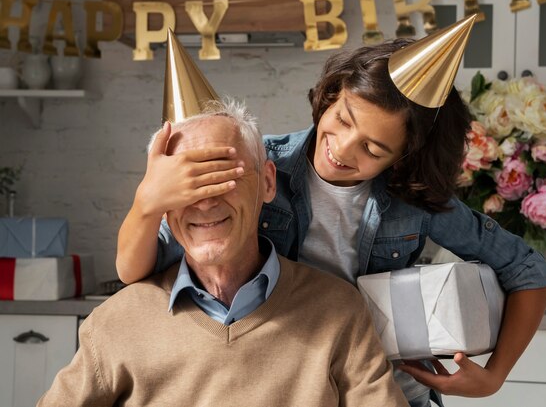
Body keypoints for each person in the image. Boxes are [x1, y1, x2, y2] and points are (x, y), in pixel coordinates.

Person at [116, 38, 546, 406]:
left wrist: (495, 375)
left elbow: (530, 272)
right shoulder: (260, 165)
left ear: (403, 156)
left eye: (373, 149)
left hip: (387, 391)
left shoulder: (414, 203)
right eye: (343, 120)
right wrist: (147, 202)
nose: (344, 150)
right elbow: (136, 268)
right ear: (330, 95)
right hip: (291, 390)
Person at [38, 102, 409, 407]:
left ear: (266, 182)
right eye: (184, 185)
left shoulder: (338, 310)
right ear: (161, 204)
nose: (206, 201)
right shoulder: (115, 323)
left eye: (223, 176)